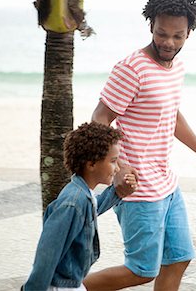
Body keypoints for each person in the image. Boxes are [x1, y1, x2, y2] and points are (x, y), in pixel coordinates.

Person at [83, 0, 196, 290]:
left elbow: (172, 116)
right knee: (141, 270)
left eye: (178, 36)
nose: (169, 42)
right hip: (138, 187)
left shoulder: (175, 67)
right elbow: (99, 119)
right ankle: (63, 286)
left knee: (178, 258)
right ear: (151, 25)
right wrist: (119, 167)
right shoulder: (132, 69)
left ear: (189, 32)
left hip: (166, 182)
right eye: (162, 33)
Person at [21, 122, 137, 291]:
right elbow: (47, 254)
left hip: (73, 284)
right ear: (91, 165)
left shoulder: (82, 194)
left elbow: (93, 207)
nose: (117, 167)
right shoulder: (72, 203)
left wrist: (119, 192)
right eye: (113, 161)